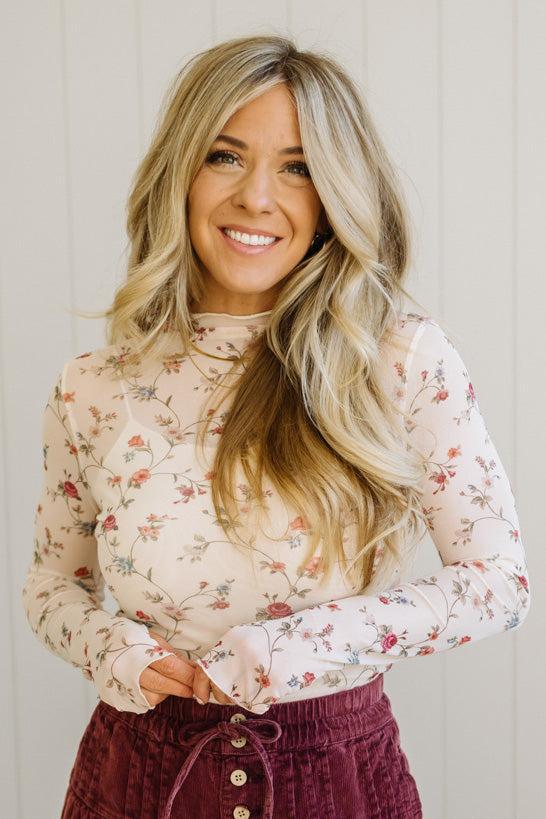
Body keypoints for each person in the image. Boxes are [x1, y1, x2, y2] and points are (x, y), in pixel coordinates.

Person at [22, 33, 530, 819]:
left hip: (333, 775)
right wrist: (111, 648)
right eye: (226, 156)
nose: (257, 197)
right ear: (180, 176)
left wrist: (292, 650)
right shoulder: (95, 387)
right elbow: (53, 584)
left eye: (297, 167)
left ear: (334, 193)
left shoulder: (397, 358)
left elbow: (499, 582)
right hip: (135, 775)